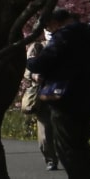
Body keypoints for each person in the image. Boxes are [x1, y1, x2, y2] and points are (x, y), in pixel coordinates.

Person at [27, 7, 90, 179]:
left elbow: (41, 63)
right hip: (88, 98)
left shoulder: (66, 36)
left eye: (48, 26)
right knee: (81, 147)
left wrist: (29, 61)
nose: (48, 31)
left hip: (65, 100)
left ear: (56, 22)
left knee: (68, 149)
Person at [20, 41, 60, 171]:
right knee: (45, 129)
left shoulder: (66, 41)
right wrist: (33, 75)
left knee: (64, 127)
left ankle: (67, 156)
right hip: (43, 93)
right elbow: (26, 67)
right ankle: (50, 159)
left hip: (63, 90)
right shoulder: (37, 46)